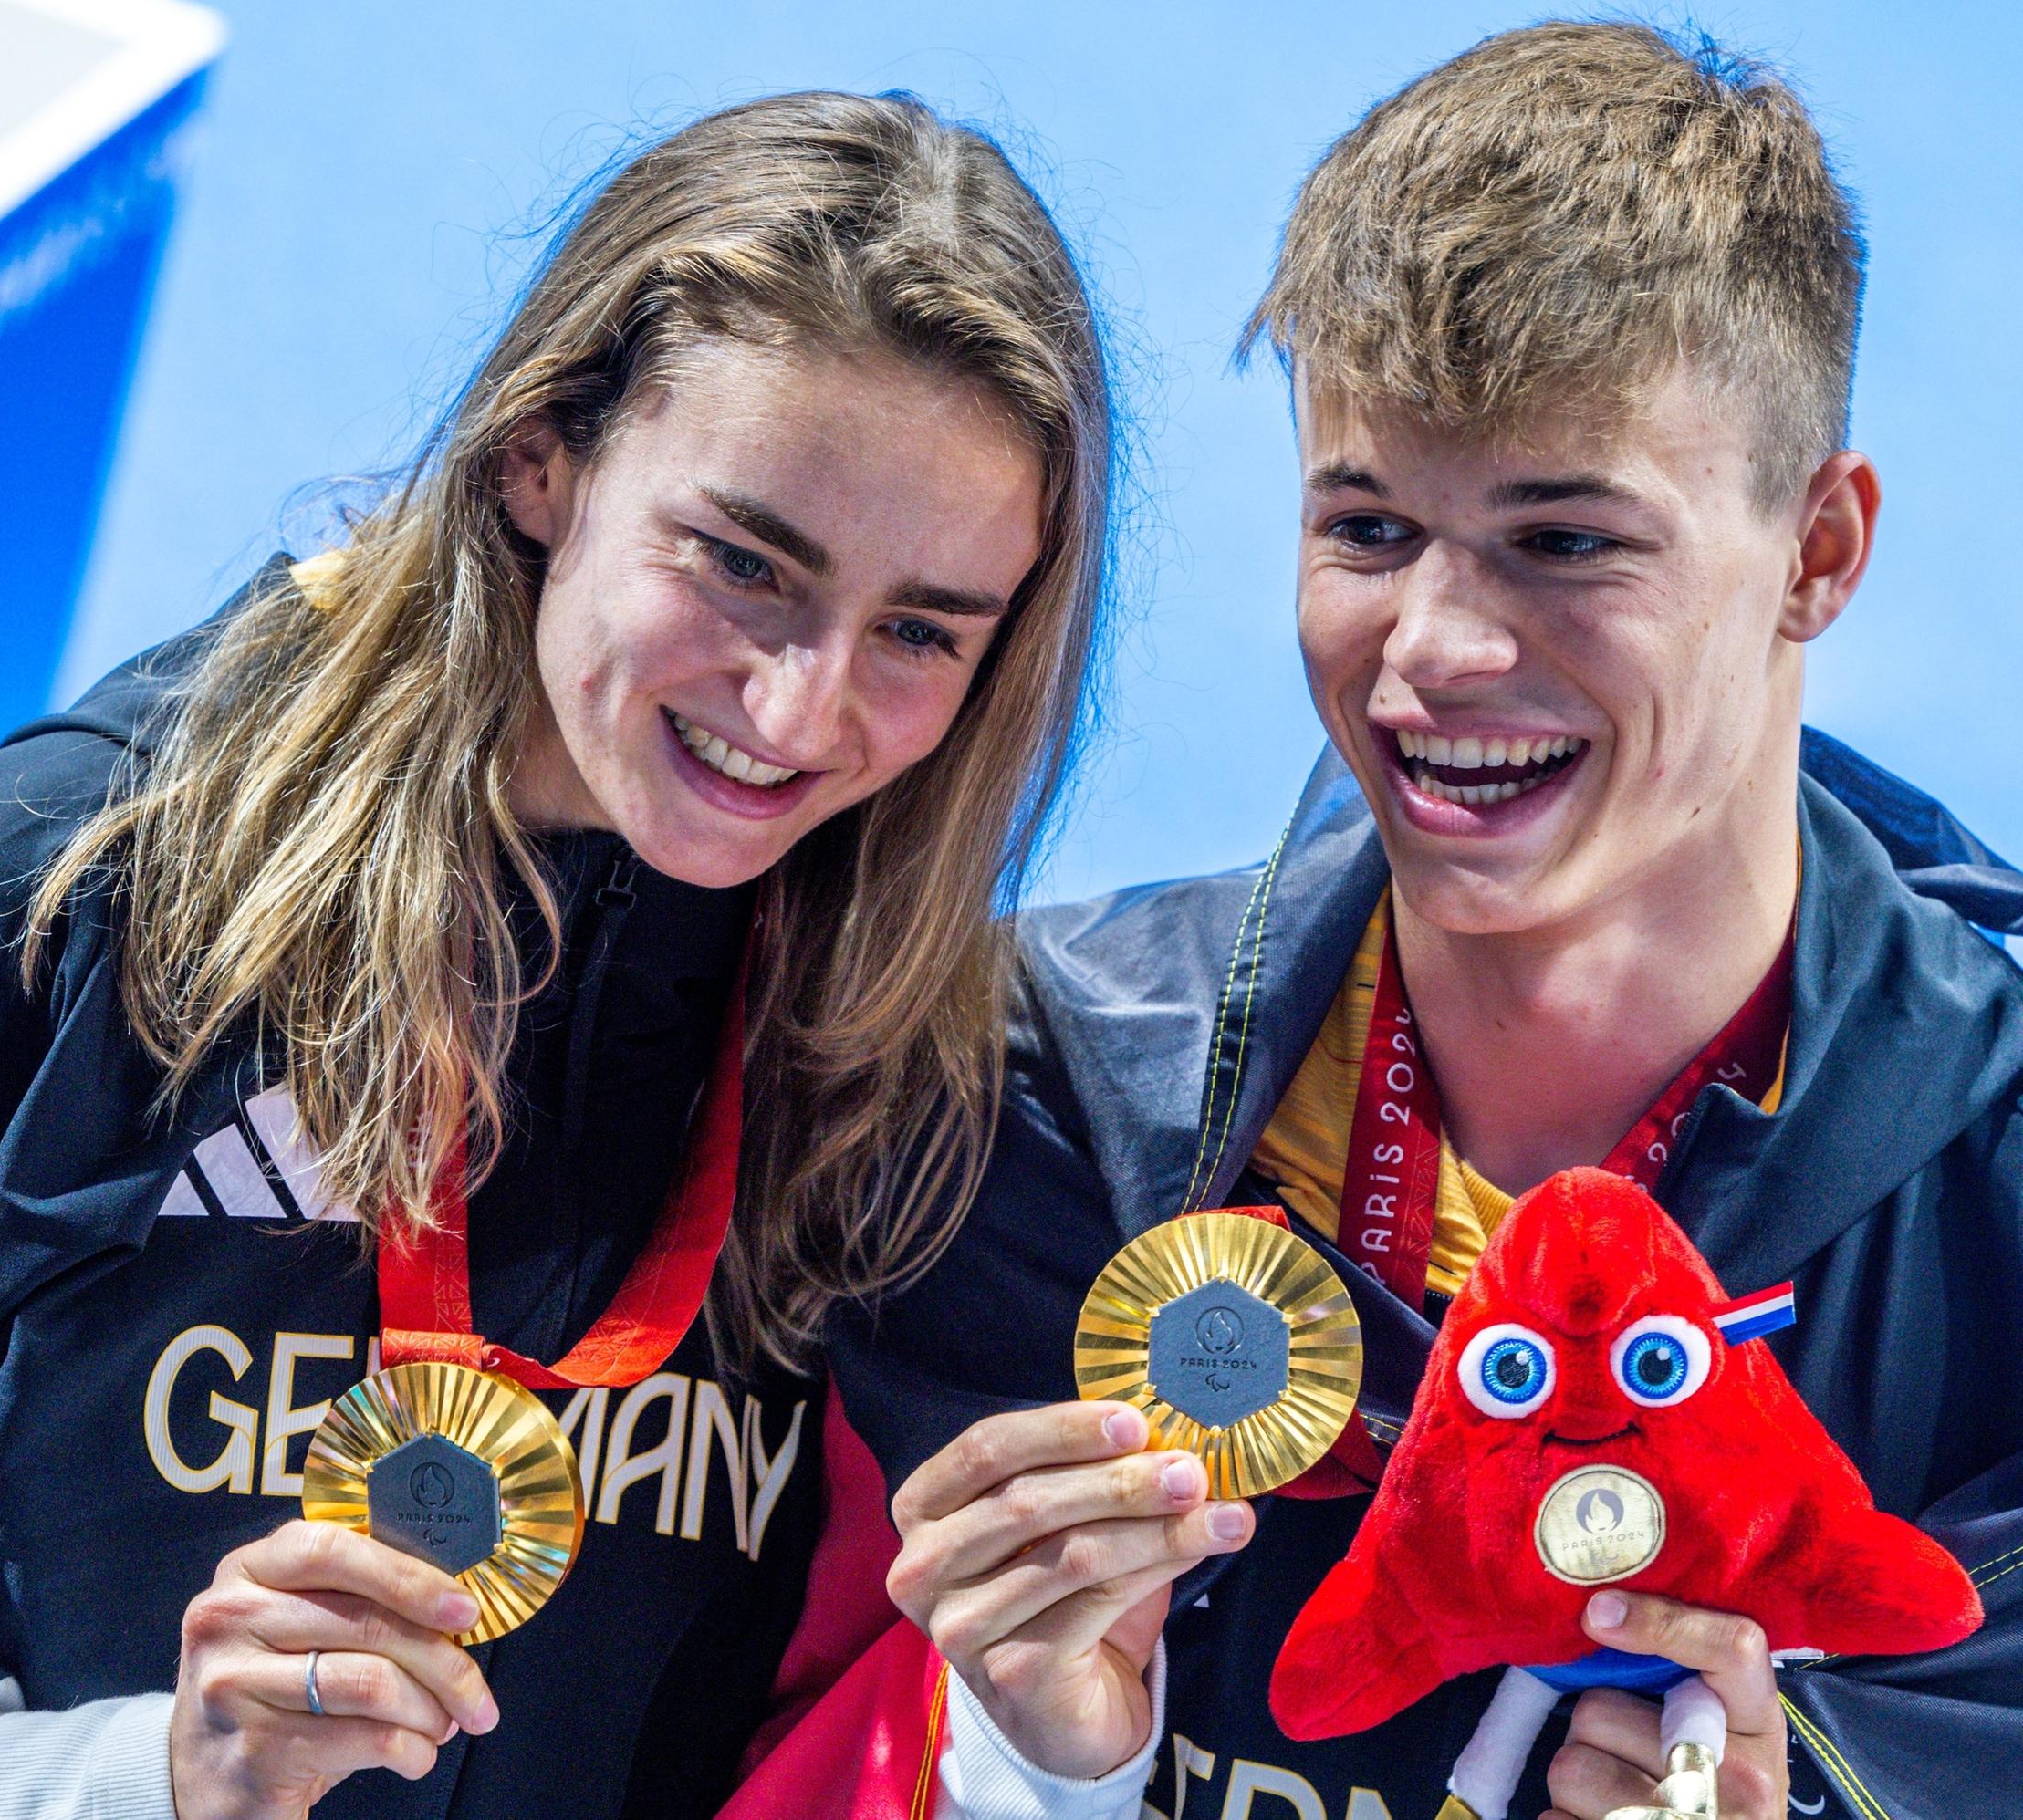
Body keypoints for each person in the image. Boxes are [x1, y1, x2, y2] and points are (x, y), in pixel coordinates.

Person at [0, 92, 1120, 1820]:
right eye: (743, 564)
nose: (802, 706)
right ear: (538, 459)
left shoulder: (898, 1063)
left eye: (918, 631)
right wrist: (138, 1780)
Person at [827, 25, 2023, 1820]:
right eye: (1370, 527)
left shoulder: (1995, 1193)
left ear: (1815, 555)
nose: (1438, 651)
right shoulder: (1034, 1094)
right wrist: (1037, 1767)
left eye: (1563, 542)